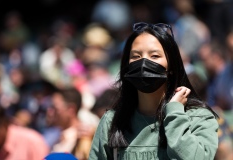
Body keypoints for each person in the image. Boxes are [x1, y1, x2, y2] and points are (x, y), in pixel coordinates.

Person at [89, 22, 219, 160]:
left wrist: (175, 113)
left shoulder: (198, 117)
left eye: (154, 56)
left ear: (172, 67)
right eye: (136, 56)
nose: (144, 62)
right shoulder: (112, 121)